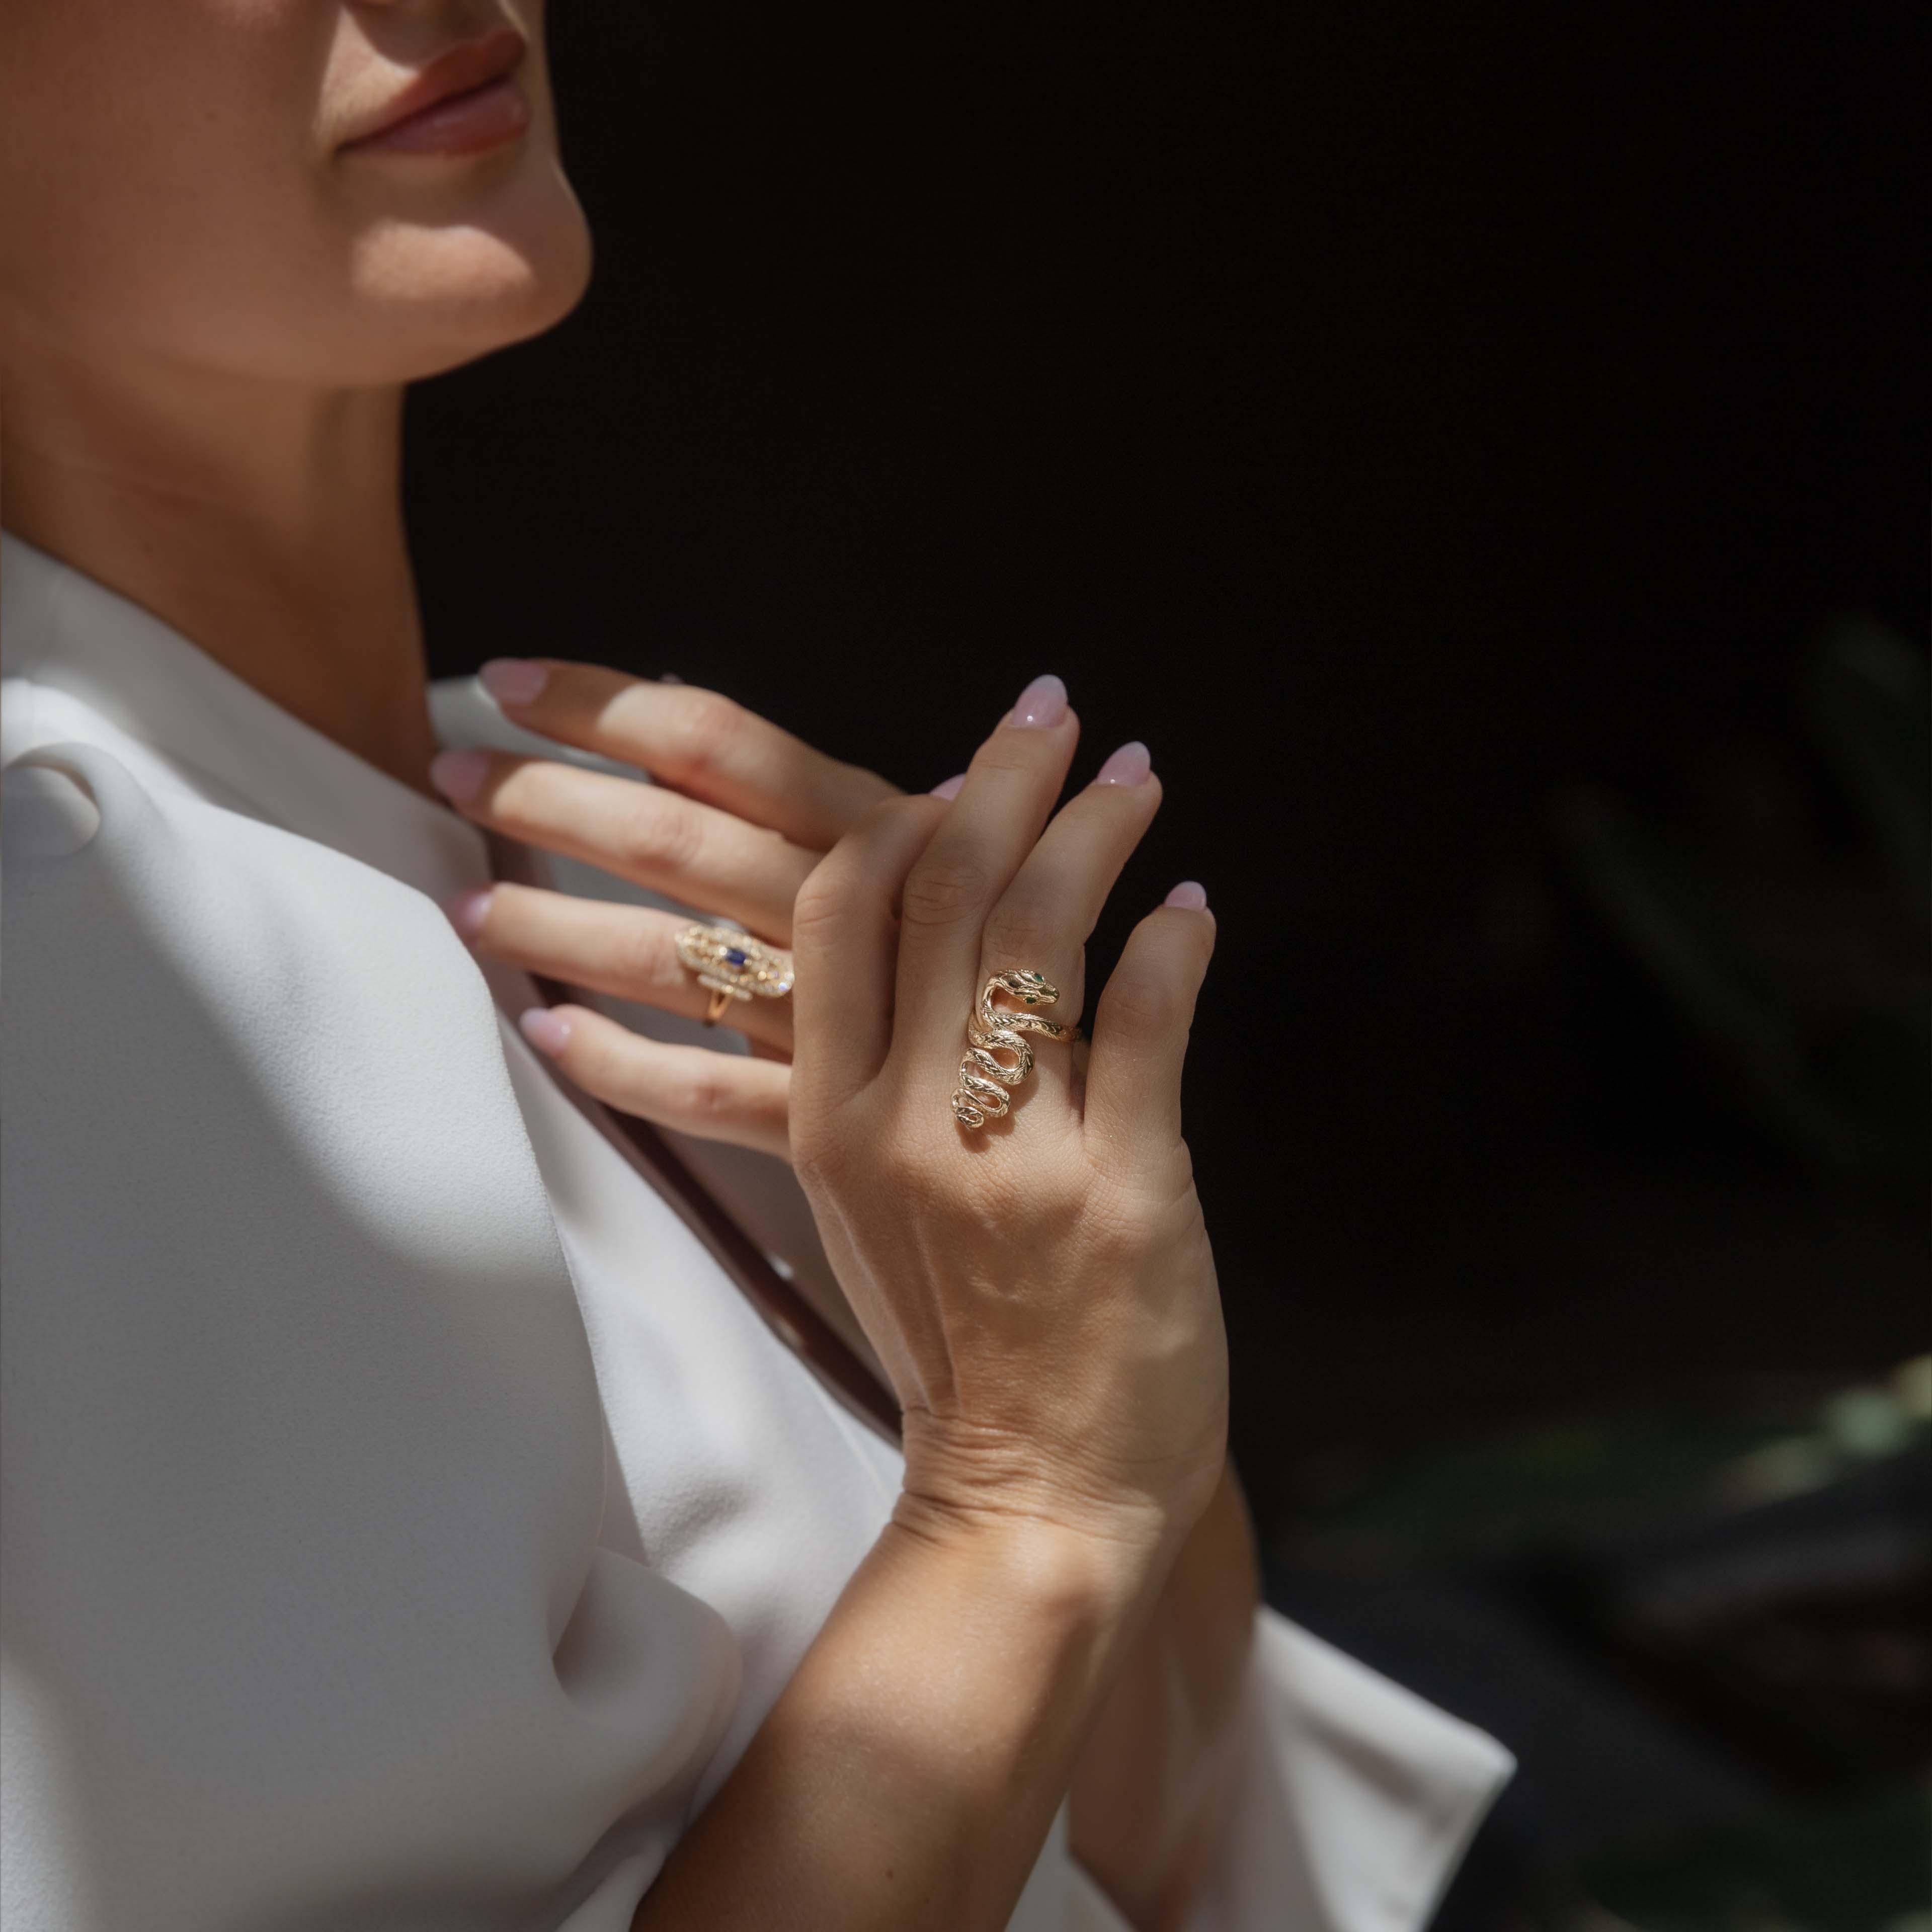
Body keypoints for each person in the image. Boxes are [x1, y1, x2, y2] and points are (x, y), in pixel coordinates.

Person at [0, 5, 1514, 1928]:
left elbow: (1154, 1835)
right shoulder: (62, 975)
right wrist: (1024, 1503)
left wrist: (1077, 1326)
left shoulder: (603, 824)